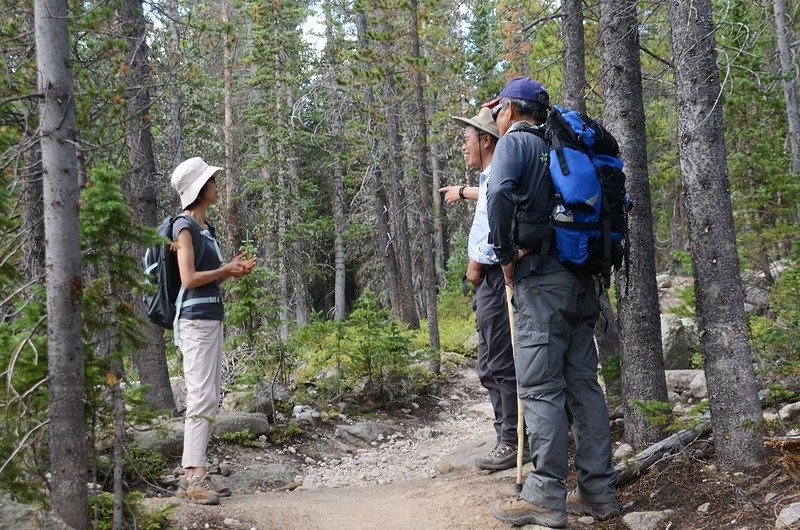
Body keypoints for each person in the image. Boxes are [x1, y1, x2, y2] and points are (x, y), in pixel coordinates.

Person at [483, 78, 618, 528]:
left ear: (510, 110)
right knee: (583, 384)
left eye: (497, 108)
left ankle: (545, 496)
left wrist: (503, 256)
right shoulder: (560, 144)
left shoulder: (516, 144)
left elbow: (499, 193)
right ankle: (599, 493)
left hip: (541, 283)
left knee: (540, 389)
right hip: (582, 281)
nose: (495, 117)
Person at [440, 107, 524, 471]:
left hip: (493, 277)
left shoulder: (497, 177)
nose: (463, 146)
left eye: (467, 139)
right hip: (488, 280)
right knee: (491, 360)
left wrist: (477, 265)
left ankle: (511, 440)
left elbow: (498, 226)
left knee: (498, 361)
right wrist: (462, 190)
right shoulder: (492, 176)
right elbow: (487, 194)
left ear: (486, 141)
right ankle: (510, 434)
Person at [170, 157, 256, 505]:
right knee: (201, 395)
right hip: (194, 320)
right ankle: (193, 477)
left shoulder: (206, 229)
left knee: (210, 394)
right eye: (212, 181)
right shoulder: (184, 227)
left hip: (210, 317)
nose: (216, 186)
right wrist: (226, 271)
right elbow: (188, 278)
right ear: (200, 190)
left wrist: (230, 269)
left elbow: (210, 272)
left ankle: (196, 471)